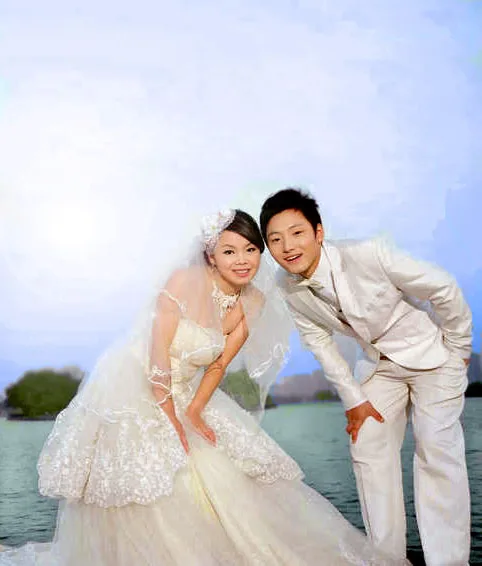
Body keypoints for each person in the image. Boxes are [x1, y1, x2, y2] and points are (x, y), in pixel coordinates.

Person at [1, 209, 406, 566]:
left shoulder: (253, 301)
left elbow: (219, 363)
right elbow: (156, 355)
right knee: (158, 468)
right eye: (229, 251)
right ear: (211, 254)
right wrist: (170, 418)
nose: (242, 260)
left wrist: (194, 410)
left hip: (186, 391)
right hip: (140, 383)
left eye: (250, 249)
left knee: (231, 469)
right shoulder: (183, 281)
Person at [260, 188, 472, 566]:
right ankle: (387, 559)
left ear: (319, 232)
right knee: (367, 445)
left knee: (436, 450)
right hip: (377, 366)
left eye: (297, 233)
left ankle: (449, 561)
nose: (287, 246)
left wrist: (458, 349)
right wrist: (354, 399)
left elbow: (443, 286)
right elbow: (318, 340)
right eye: (275, 239)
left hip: (432, 357)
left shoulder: (369, 253)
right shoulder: (285, 284)